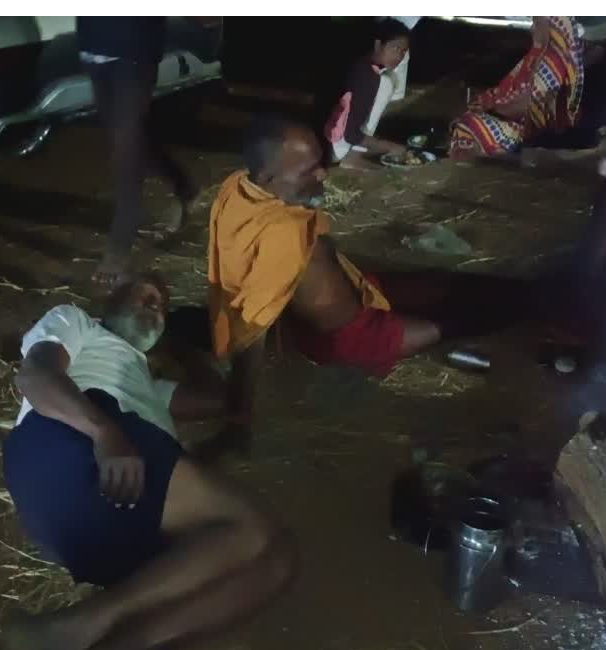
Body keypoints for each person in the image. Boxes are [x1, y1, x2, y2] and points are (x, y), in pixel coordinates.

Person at [0, 275, 296, 650]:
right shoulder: (78, 323)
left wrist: (179, 347)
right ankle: (82, 623)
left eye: (163, 309)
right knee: (253, 529)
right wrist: (106, 433)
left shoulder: (148, 386)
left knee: (278, 563)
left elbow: (218, 399)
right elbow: (35, 376)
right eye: (147, 297)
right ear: (113, 301)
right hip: (69, 450)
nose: (157, 309)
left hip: (104, 516)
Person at [209, 117, 535, 442]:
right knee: (469, 317)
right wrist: (240, 413)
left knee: (454, 284)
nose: (323, 173)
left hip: (360, 289)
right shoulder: (281, 235)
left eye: (319, 163)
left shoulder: (238, 187)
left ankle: (522, 295)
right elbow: (252, 328)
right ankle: (533, 302)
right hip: (355, 338)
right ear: (269, 178)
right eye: (308, 170)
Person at [78, 17, 197, 286]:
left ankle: (120, 244)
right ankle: (182, 185)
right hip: (93, 39)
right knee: (131, 141)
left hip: (134, 43)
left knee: (125, 148)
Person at [449, 16, 585, 159]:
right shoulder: (537, 59)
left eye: (536, 23)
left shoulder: (552, 67)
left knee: (472, 126)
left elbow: (530, 103)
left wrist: (491, 112)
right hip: (508, 123)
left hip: (518, 130)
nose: (532, 28)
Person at [323, 18, 410, 167]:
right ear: (378, 45)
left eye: (403, 51)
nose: (399, 56)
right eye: (395, 48)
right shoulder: (368, 77)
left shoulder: (361, 63)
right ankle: (352, 155)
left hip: (326, 139)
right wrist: (390, 146)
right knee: (386, 83)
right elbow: (351, 134)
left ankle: (354, 153)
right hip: (332, 147)